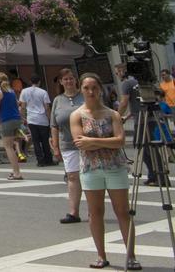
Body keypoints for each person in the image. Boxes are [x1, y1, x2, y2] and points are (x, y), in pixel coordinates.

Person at [72, 72, 140, 270]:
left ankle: (131, 256)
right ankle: (101, 255)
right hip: (91, 169)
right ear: (81, 90)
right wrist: (104, 143)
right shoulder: (77, 115)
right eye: (86, 88)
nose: (91, 91)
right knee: (95, 212)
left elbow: (120, 141)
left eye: (94, 87)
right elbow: (79, 143)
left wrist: (91, 140)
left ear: (100, 89)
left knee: (123, 212)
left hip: (114, 167)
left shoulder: (113, 114)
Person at [49, 67, 85, 224]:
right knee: (72, 176)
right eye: (65, 79)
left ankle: (94, 210)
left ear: (75, 80)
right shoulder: (58, 100)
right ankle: (73, 212)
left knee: (89, 176)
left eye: (71, 78)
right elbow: (54, 125)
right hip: (68, 144)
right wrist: (55, 146)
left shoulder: (84, 96)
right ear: (61, 82)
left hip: (87, 142)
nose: (69, 81)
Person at [0, 72, 24, 178]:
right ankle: (16, 170)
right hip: (16, 119)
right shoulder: (11, 91)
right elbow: (17, 104)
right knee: (14, 145)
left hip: (6, 120)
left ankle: (16, 172)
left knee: (8, 147)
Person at [20, 75, 54, 166]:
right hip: (42, 119)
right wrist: (50, 119)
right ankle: (48, 159)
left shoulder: (24, 91)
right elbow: (47, 108)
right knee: (45, 141)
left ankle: (40, 160)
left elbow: (23, 106)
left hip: (31, 119)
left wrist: (23, 118)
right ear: (39, 82)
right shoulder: (43, 92)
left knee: (35, 141)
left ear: (31, 82)